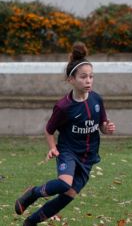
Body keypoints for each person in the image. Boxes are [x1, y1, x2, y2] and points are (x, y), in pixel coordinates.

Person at [15, 42, 116, 225]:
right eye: (83, 77)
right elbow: (49, 130)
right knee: (64, 184)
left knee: (67, 196)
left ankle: (30, 222)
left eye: (91, 77)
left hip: (88, 157)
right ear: (71, 79)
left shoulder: (96, 99)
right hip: (68, 151)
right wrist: (53, 148)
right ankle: (33, 193)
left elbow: (101, 125)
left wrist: (106, 129)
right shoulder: (64, 107)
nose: (88, 81)